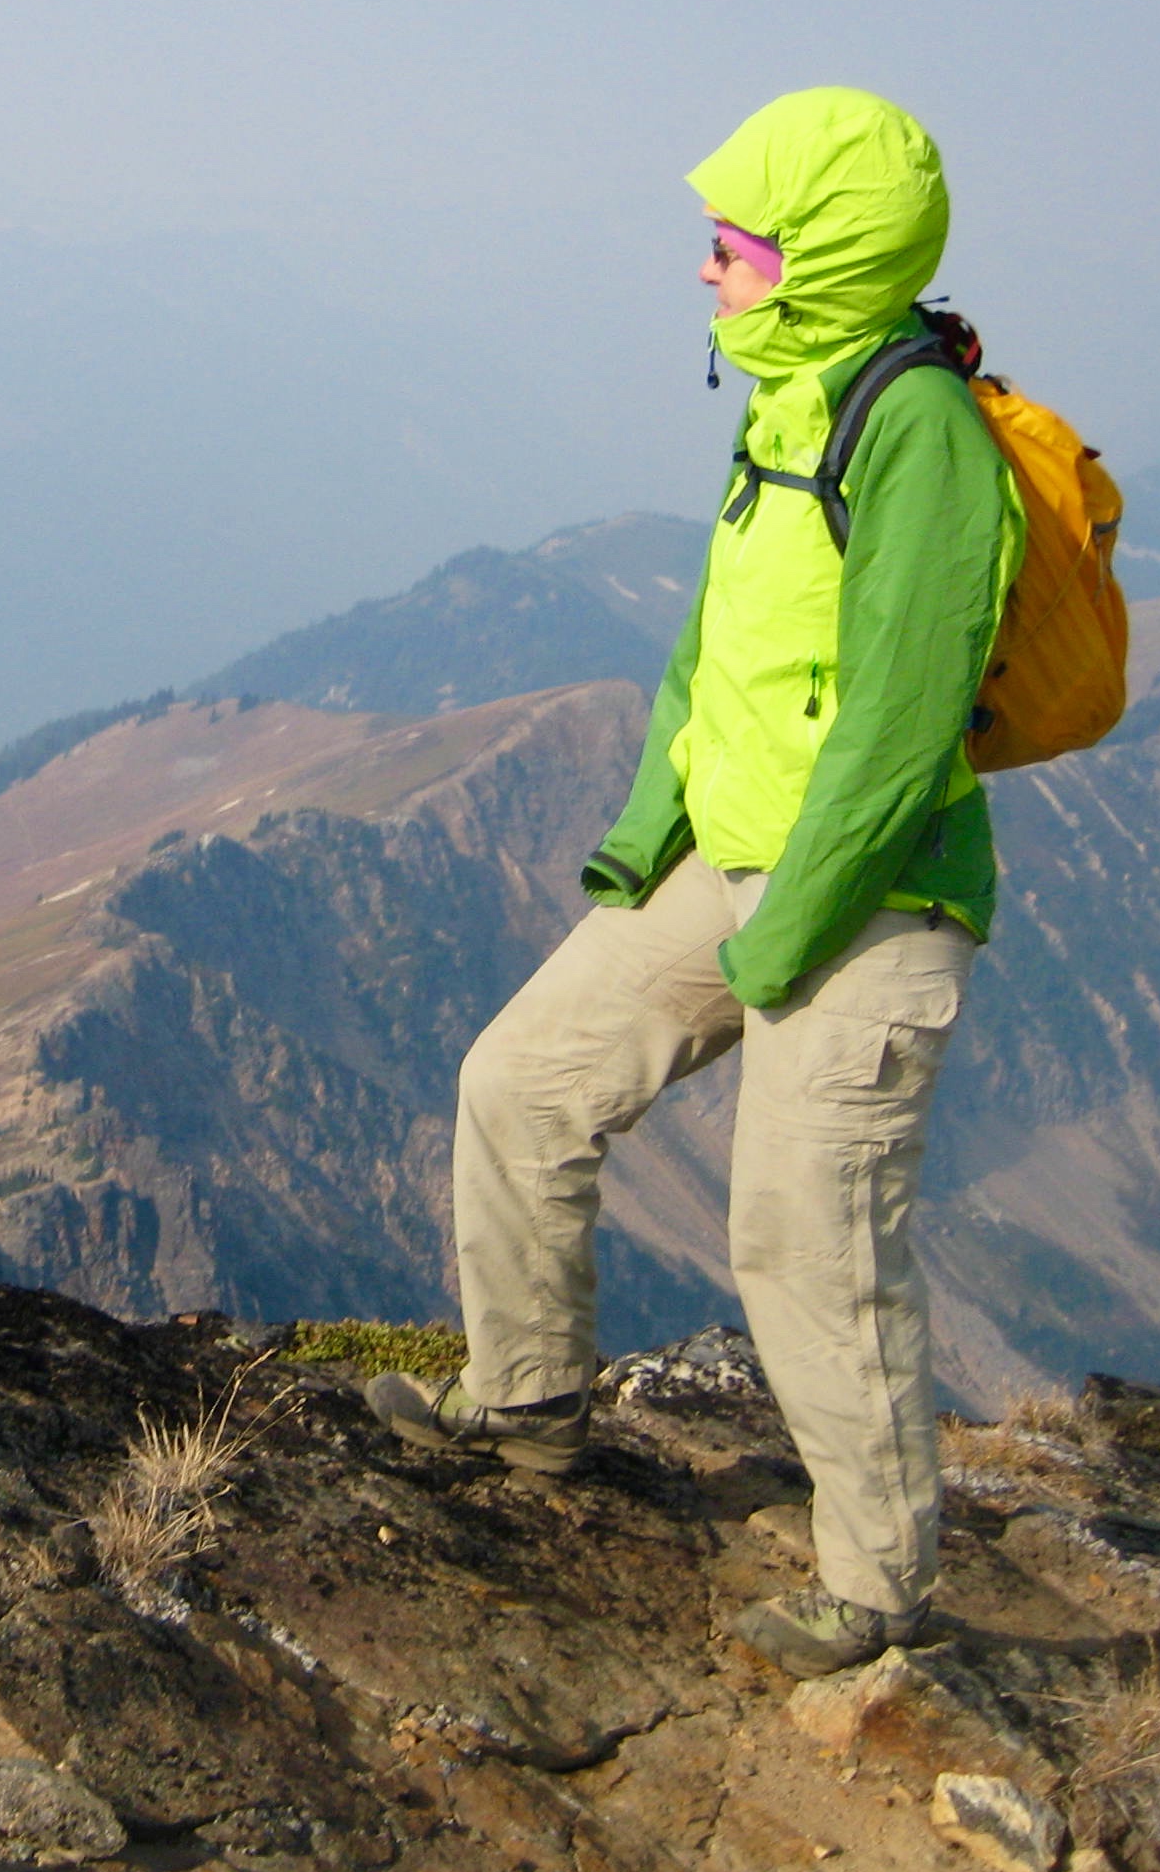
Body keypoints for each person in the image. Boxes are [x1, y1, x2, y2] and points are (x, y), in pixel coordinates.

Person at [368, 87, 1025, 1679]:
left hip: (868, 902)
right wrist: (651, 829)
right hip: (733, 861)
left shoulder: (920, 432)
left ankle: (877, 1590)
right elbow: (715, 649)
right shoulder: (791, 401)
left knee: (806, 1233)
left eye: (733, 245)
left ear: (820, 258)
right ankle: (524, 1406)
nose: (707, 269)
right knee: (519, 1083)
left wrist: (785, 932)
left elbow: (901, 719)